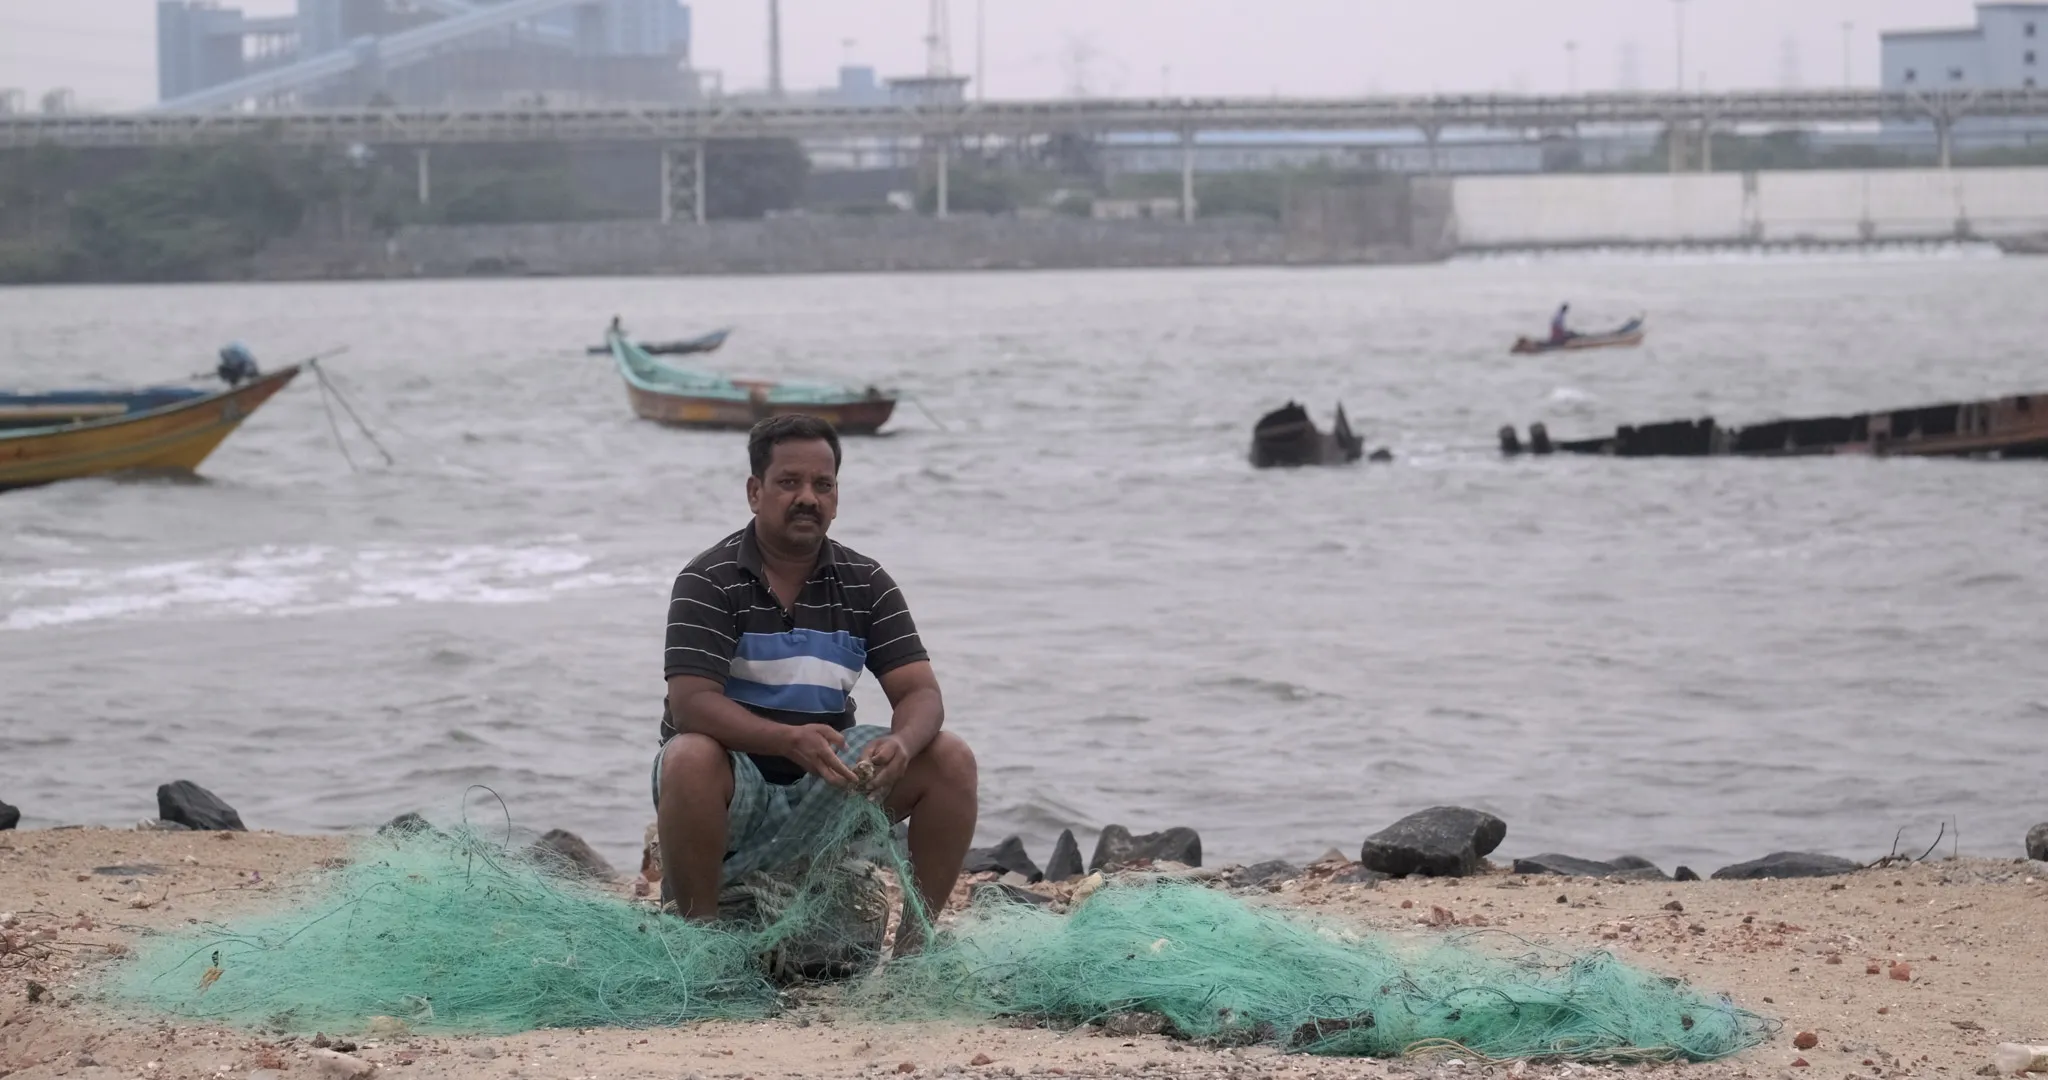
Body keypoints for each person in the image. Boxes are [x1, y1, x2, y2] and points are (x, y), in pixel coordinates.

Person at [653, 413, 977, 944]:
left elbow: (919, 691)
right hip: (734, 788)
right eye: (789, 483)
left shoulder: (866, 582)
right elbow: (691, 704)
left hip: (828, 781)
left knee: (949, 758)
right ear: (755, 492)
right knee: (688, 755)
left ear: (836, 497)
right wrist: (786, 739)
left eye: (822, 485)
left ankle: (916, 956)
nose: (808, 497)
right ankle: (699, 946)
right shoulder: (707, 580)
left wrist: (902, 741)